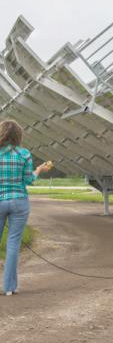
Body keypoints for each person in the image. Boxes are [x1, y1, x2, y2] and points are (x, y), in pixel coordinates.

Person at [0, 120, 51, 296]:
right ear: (18, 136)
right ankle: (9, 288)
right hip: (19, 202)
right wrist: (38, 170)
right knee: (13, 243)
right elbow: (29, 180)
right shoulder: (24, 154)